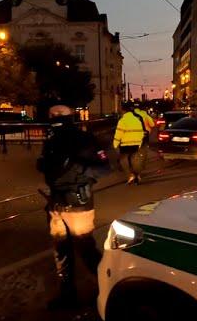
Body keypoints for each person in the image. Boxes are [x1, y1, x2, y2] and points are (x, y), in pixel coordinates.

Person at [37, 103, 107, 309]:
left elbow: (103, 168)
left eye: (60, 113)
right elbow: (47, 166)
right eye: (52, 113)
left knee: (86, 250)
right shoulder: (50, 140)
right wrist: (44, 165)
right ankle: (68, 296)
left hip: (78, 204)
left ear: (71, 116)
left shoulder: (84, 138)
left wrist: (74, 166)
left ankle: (108, 287)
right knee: (61, 252)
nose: (55, 116)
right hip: (55, 204)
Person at [113, 101, 146, 185]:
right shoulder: (138, 118)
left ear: (124, 110)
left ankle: (131, 175)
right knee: (136, 161)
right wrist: (140, 143)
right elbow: (142, 131)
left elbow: (118, 133)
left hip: (125, 145)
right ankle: (137, 175)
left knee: (124, 161)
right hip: (137, 145)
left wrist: (115, 144)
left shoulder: (122, 120)